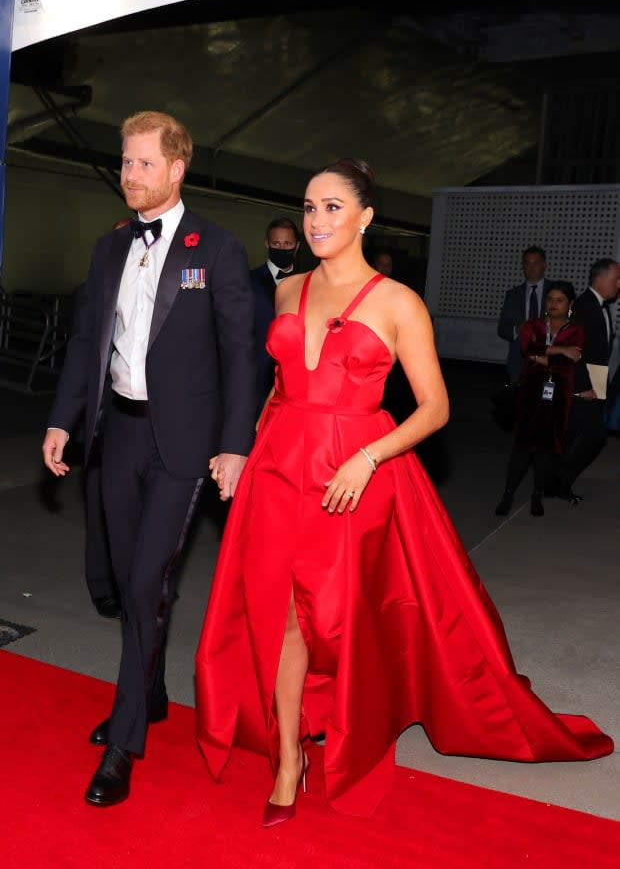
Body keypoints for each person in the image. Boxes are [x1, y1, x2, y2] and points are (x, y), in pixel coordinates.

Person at [194, 158, 613, 825]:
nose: (317, 219)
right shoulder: (287, 290)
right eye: (309, 207)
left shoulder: (397, 301)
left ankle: (353, 722)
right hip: (278, 467)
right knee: (285, 614)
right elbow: (276, 386)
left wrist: (368, 455)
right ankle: (287, 759)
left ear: (364, 217)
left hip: (353, 473)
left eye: (333, 207)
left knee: (343, 617)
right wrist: (241, 449)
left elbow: (435, 407)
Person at [42, 110, 257, 808]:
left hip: (183, 445)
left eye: (141, 163)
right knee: (133, 579)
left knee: (143, 585)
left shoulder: (216, 250)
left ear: (175, 168)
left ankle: (125, 741)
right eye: (125, 161)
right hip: (117, 435)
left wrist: (234, 443)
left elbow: (239, 354)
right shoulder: (109, 251)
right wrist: (61, 419)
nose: (129, 174)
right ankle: (154, 693)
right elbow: (85, 345)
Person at [71, 217, 133, 620]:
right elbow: (80, 355)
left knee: (138, 508)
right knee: (99, 502)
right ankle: (102, 585)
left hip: (141, 414)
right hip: (101, 414)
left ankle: (138, 583)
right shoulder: (90, 290)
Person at [494, 281, 584, 518]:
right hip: (530, 393)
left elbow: (567, 364)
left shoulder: (576, 330)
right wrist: (560, 350)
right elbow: (527, 347)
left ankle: (537, 494)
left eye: (559, 300)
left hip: (558, 395)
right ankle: (508, 493)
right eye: (550, 299)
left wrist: (543, 355)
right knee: (522, 445)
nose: (553, 304)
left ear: (570, 304)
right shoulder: (533, 324)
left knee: (546, 447)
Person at [551, 258, 620, 499]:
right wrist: (588, 388)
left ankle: (553, 482)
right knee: (594, 436)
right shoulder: (584, 307)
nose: (619, 284)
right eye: (616, 280)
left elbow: (599, 352)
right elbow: (577, 353)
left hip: (593, 383)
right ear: (600, 281)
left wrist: (601, 388)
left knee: (571, 435)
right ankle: (560, 481)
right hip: (581, 386)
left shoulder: (600, 306)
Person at [250, 217, 301, 414]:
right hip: (256, 379)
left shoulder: (309, 284)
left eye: (287, 244)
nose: (282, 248)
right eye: (276, 244)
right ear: (267, 244)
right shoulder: (247, 281)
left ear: (296, 246)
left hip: (293, 382)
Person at [497, 246, 553, 385]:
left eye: (536, 263)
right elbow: (502, 329)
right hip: (519, 363)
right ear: (523, 266)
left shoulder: (556, 292)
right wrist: (517, 329)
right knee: (518, 404)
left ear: (544, 265)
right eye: (527, 263)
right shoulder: (513, 295)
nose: (531, 267)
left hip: (549, 360)